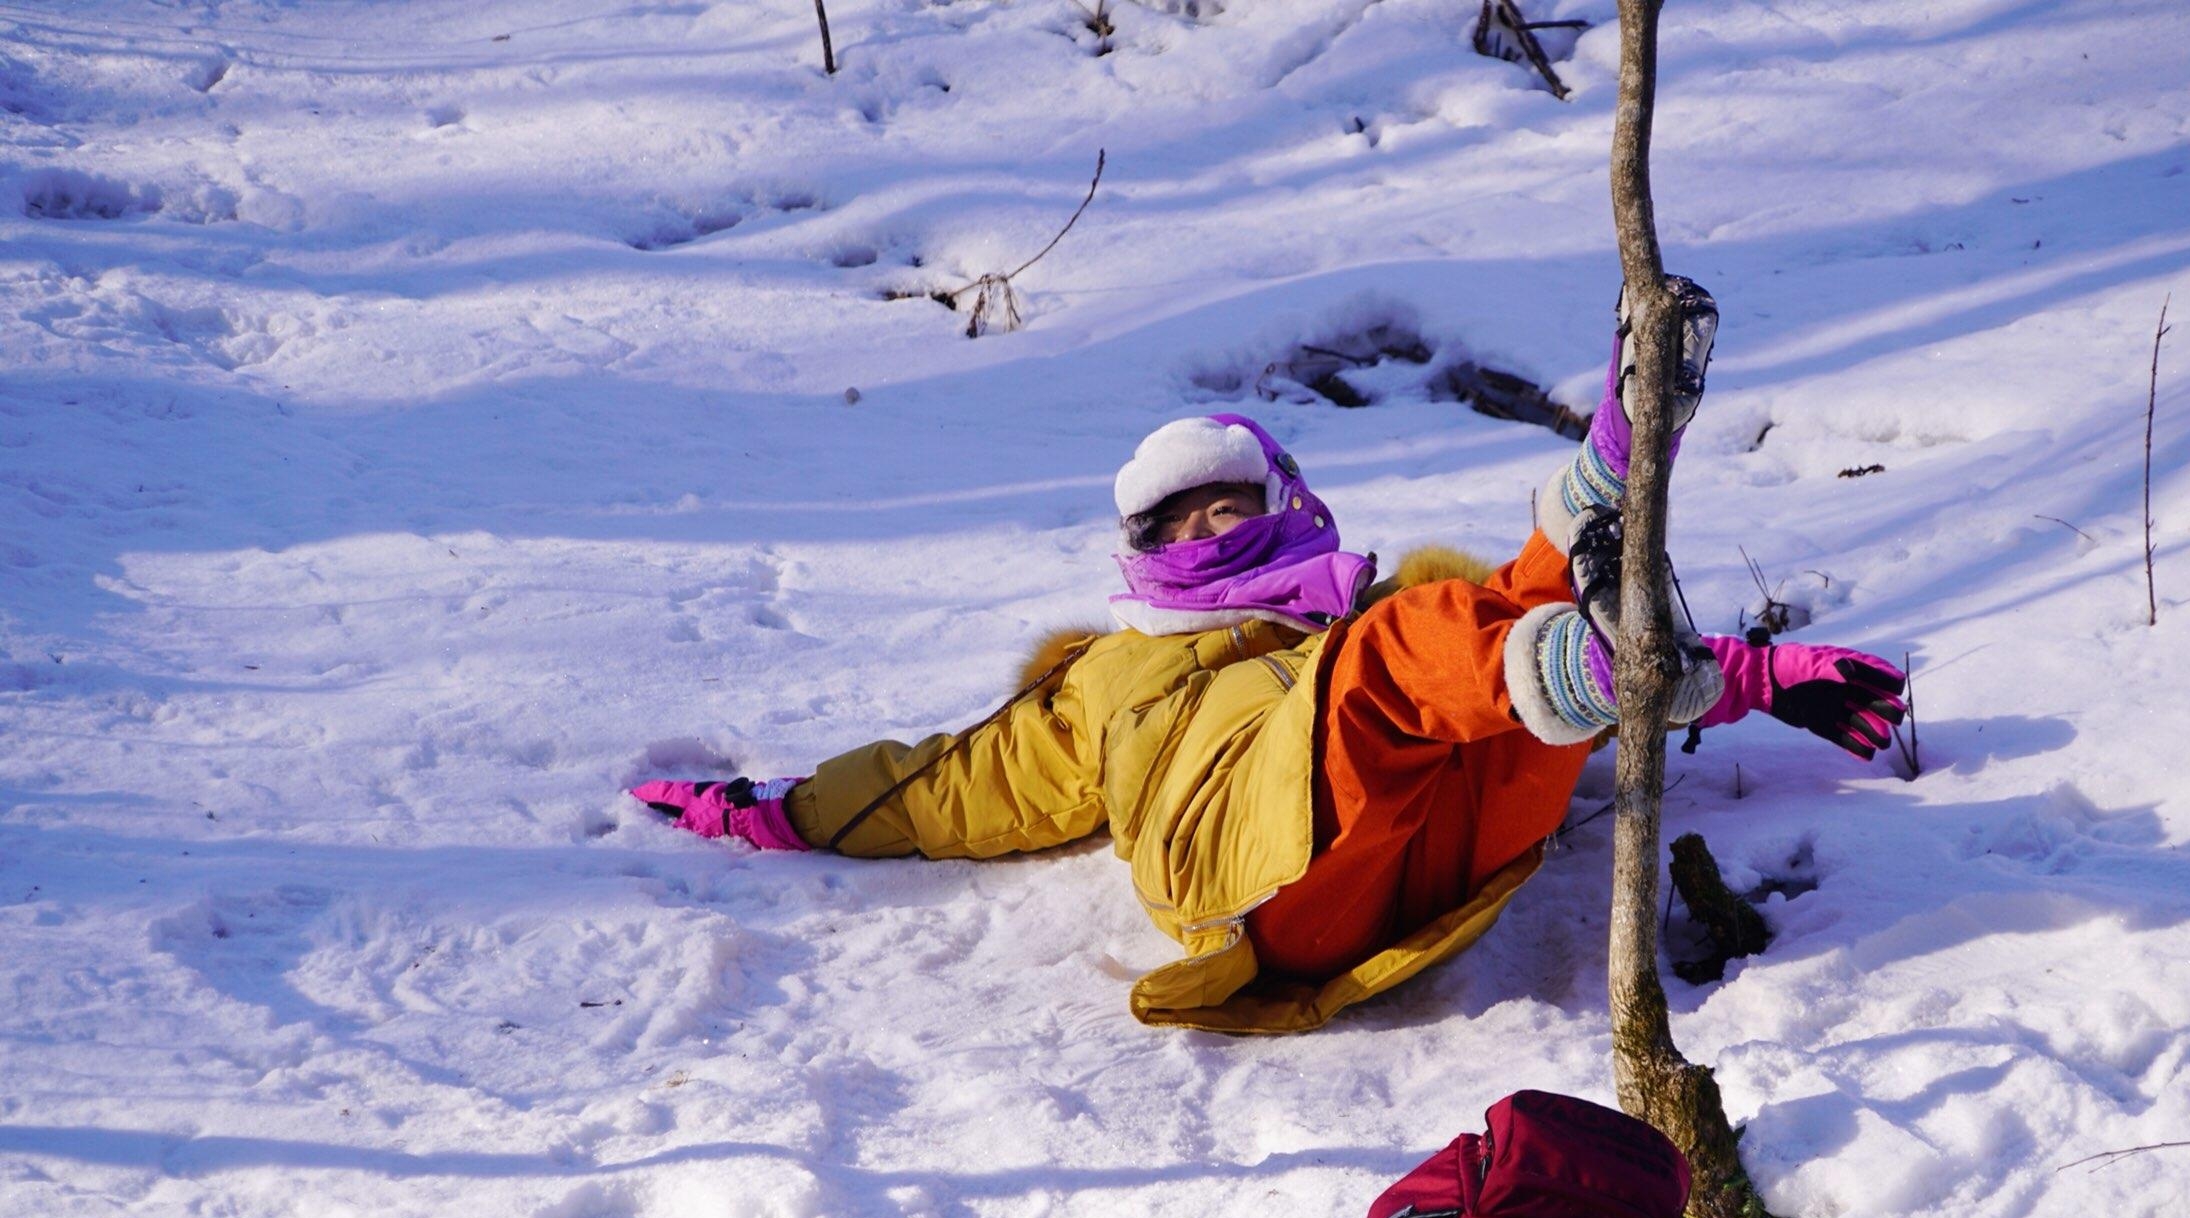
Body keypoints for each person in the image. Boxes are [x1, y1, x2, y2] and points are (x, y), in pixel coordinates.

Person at [632, 286, 1904, 1033]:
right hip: (1256, 862)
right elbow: (948, 786)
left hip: (1439, 848)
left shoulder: (1350, 614)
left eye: (1223, 503)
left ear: (1281, 498)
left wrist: (1762, 677)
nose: (1200, 530)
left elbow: (1474, 651)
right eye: (1168, 523)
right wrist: (784, 813)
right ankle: (1606, 585)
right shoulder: (1109, 675)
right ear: (1137, 554)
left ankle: (1610, 483)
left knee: (1484, 615)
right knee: (1410, 650)